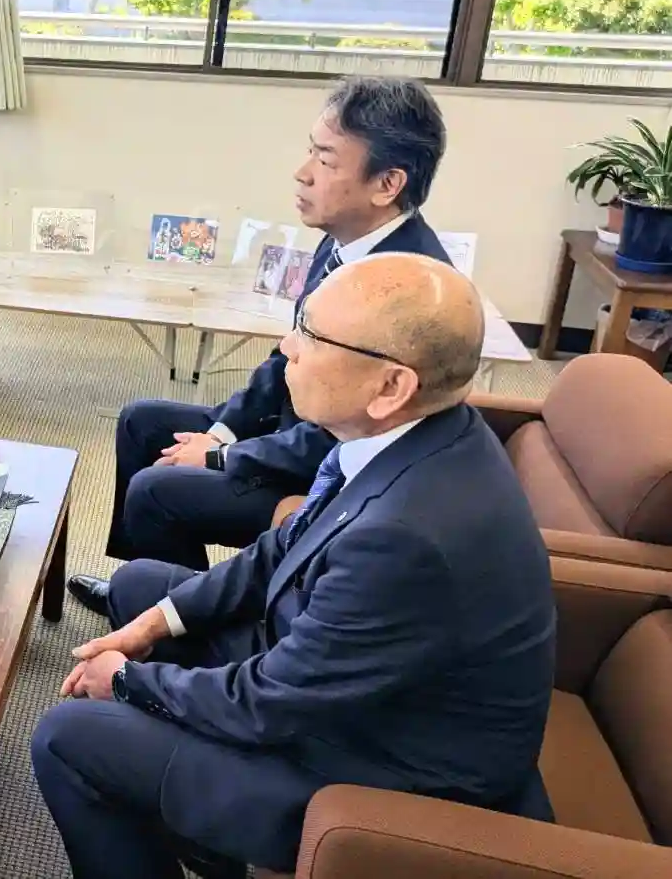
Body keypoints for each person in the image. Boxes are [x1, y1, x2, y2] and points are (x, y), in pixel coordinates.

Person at [31, 253, 556, 879]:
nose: (288, 347)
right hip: (343, 687)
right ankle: (193, 826)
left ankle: (205, 825)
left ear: (391, 387)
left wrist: (126, 681)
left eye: (312, 335)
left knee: (69, 737)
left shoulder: (404, 539)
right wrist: (152, 625)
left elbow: (269, 702)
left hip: (377, 772)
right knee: (141, 588)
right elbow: (280, 549)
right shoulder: (411, 440)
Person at [70, 75, 455, 614]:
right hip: (296, 427)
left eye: (325, 160)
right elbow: (288, 355)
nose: (302, 172)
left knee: (156, 488)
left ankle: (192, 623)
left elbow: (341, 438)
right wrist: (223, 430)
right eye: (310, 151)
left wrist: (221, 456)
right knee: (142, 422)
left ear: (387, 183)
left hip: (331, 476)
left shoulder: (401, 290)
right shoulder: (344, 241)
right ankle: (146, 589)